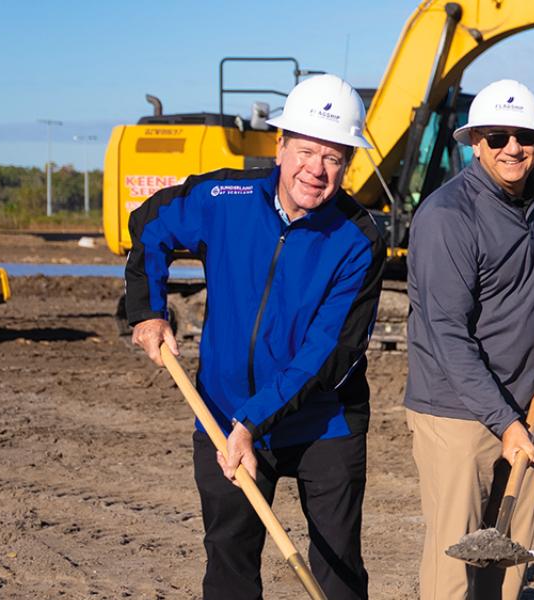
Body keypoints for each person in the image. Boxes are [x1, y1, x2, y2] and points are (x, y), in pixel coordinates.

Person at [124, 73, 383, 600]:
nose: (316, 169)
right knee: (230, 564)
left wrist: (254, 420)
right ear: (280, 144)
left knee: (337, 568)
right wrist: (148, 311)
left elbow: (328, 353)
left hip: (323, 423)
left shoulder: (359, 239)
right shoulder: (224, 196)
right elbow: (150, 225)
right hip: (221, 412)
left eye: (334, 157)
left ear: (348, 165)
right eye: (307, 150)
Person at [403, 79, 534, 600]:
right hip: (458, 415)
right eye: (497, 137)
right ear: (475, 142)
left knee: (509, 556)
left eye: (524, 136)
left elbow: (531, 281)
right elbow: (448, 334)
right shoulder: (448, 217)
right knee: (455, 565)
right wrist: (504, 424)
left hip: (523, 404)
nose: (512, 148)